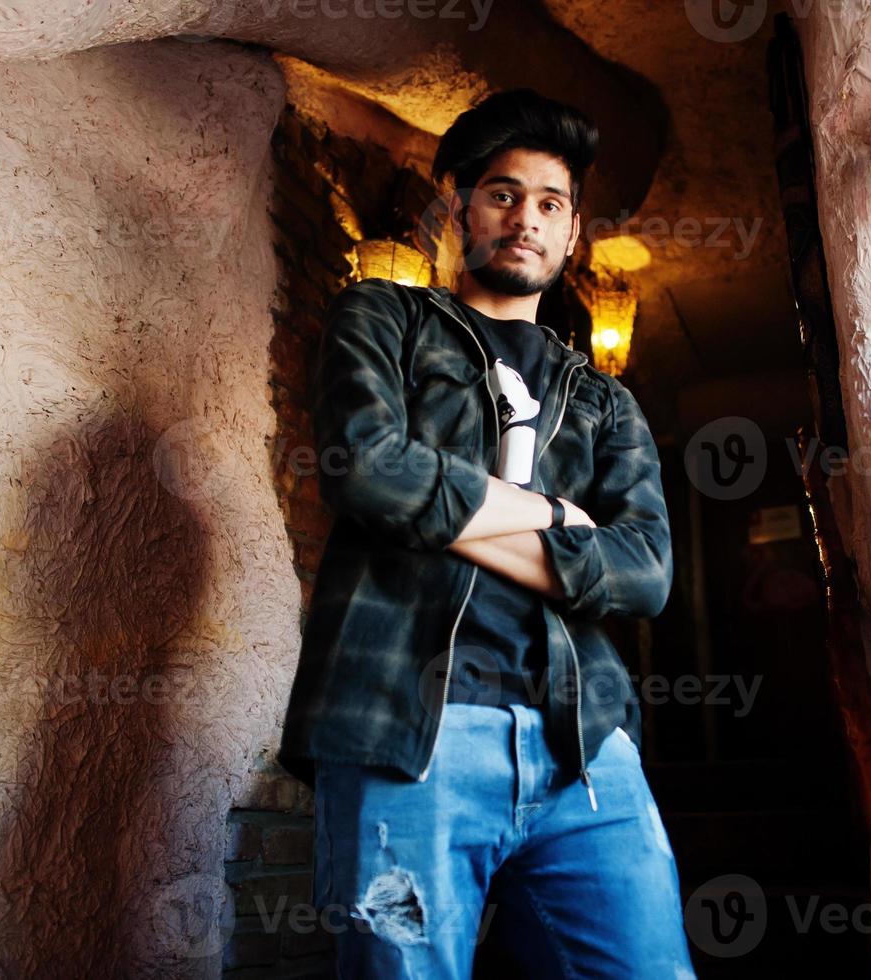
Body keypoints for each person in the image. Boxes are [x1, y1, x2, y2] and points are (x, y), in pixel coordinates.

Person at [278, 88, 695, 979]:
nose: (525, 219)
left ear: (572, 231)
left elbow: (646, 571)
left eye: (549, 204)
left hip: (584, 749)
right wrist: (548, 514)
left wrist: (438, 513)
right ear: (459, 205)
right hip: (403, 730)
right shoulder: (382, 319)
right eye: (502, 194)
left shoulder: (602, 399)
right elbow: (367, 469)